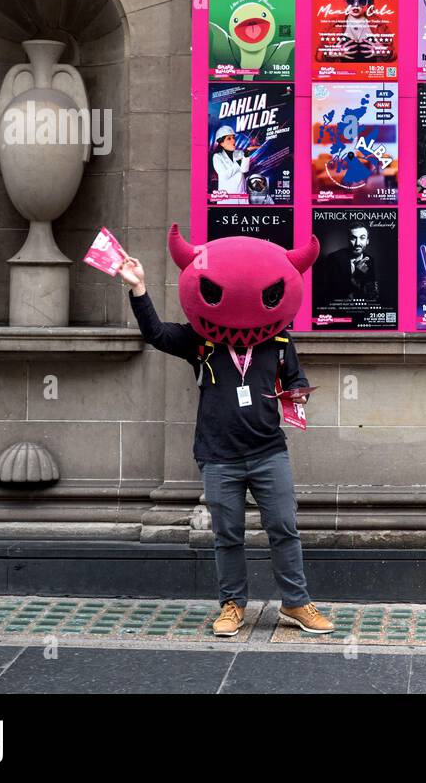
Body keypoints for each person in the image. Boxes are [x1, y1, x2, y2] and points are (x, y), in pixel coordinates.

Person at [119, 228, 334, 638]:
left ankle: (295, 602)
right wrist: (140, 289)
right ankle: (233, 605)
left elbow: (295, 379)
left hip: (269, 451)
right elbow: (156, 334)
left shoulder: (279, 339)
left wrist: (298, 397)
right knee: (227, 535)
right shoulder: (201, 342)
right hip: (218, 455)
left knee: (284, 528)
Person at [317, 0, 394, 64]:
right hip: (340, 76)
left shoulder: (380, 25)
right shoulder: (332, 24)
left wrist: (385, 52)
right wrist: (329, 53)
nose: (355, 5)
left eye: (361, 1)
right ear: (345, 0)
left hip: (372, 76)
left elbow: (394, 55)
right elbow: (318, 56)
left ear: (368, 2)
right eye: (351, 0)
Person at [318, 224, 378, 303]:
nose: (357, 243)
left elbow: (371, 290)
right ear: (348, 239)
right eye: (353, 238)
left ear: (367, 241)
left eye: (362, 238)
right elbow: (331, 291)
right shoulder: (334, 258)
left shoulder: (369, 260)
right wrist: (354, 274)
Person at [210, 125, 254, 204]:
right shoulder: (217, 157)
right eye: (229, 139)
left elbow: (244, 169)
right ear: (221, 143)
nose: (233, 140)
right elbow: (225, 175)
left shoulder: (240, 153)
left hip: (242, 198)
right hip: (227, 199)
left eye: (233, 137)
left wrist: (246, 153)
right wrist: (239, 162)